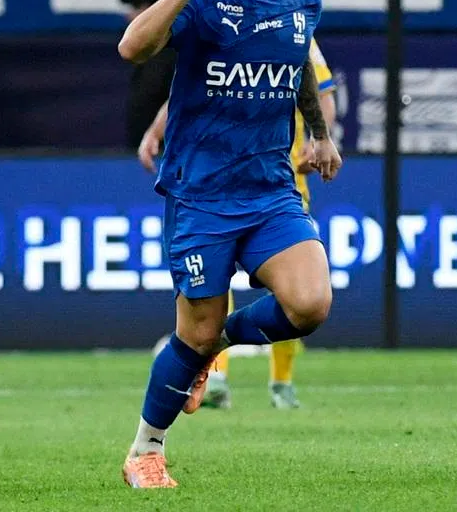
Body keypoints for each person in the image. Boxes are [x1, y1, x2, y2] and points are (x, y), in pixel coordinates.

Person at [116, 0, 342, 489]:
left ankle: (217, 346)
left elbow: (296, 68)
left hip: (270, 191)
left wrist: (318, 132)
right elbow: (133, 48)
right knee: (196, 329)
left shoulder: (303, 2)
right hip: (201, 195)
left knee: (311, 304)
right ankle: (146, 450)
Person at [138, 37, 338, 410]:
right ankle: (215, 376)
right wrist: (156, 130)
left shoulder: (292, 24)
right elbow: (188, 89)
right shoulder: (211, 19)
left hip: (281, 183)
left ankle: (281, 381)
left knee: (300, 292)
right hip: (214, 188)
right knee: (214, 287)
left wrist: (320, 137)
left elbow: (321, 90)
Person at [121, 0, 173, 150]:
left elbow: (183, 96)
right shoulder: (145, 55)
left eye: (137, 7)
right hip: (144, 149)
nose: (129, 15)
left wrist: (156, 133)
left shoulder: (175, 54)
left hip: (167, 152)